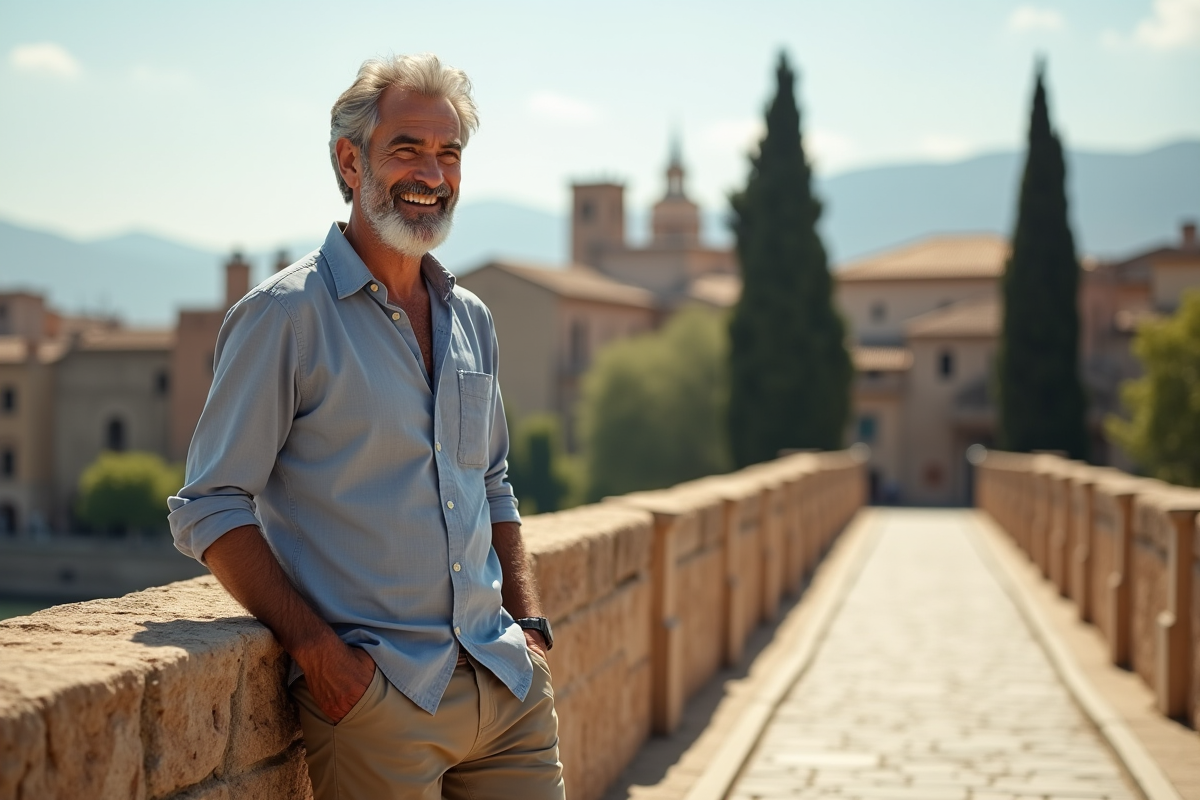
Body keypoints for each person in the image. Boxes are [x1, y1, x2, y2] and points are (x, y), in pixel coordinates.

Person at [167, 53, 564, 800]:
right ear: (351, 161)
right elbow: (211, 504)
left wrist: (529, 625)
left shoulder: (471, 318)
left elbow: (493, 481)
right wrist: (321, 657)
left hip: (505, 686)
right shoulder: (283, 317)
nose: (433, 173)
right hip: (380, 700)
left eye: (449, 154)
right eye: (406, 148)